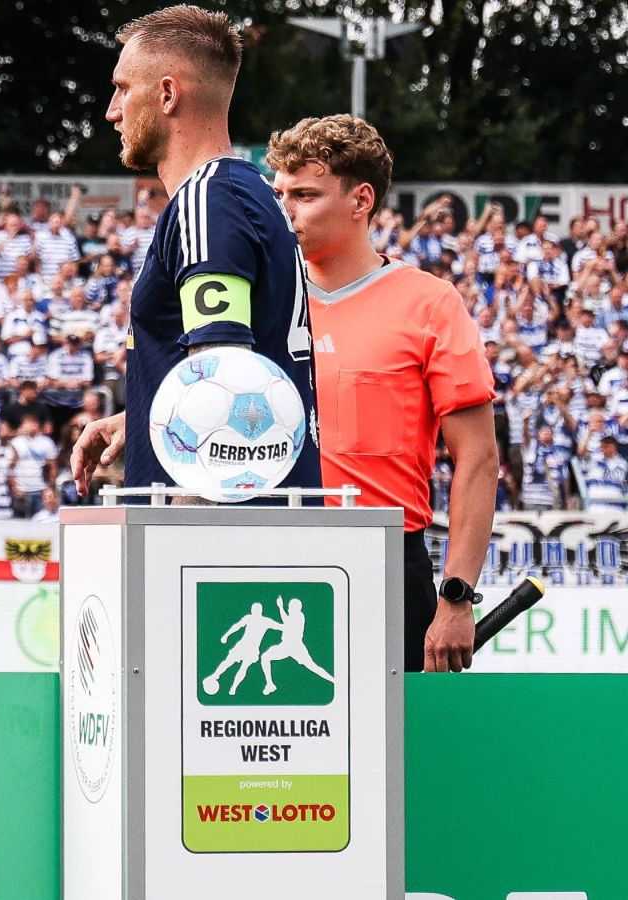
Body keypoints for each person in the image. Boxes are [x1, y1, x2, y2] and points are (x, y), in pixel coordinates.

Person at [266, 114, 498, 674]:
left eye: (304, 194)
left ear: (360, 199)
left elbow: (479, 458)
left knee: (398, 760)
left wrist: (457, 597)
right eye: (280, 194)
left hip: (386, 564)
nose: (286, 210)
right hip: (268, 559)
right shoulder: (261, 300)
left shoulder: (431, 303)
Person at [70, 6, 320, 502]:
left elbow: (224, 390)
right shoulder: (245, 190)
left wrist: (185, 542)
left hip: (214, 547)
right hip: (261, 522)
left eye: (122, 88)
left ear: (167, 94)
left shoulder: (209, 198)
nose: (112, 110)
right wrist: (143, 420)